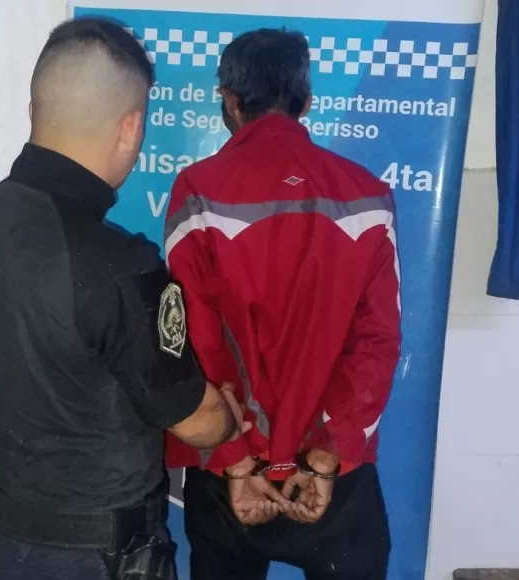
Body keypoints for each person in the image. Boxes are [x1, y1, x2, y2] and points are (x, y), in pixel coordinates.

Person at [0, 17, 248, 580]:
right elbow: (194, 420)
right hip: (93, 554)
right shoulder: (119, 264)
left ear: (35, 110)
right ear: (131, 127)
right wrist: (228, 418)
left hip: (0, 535)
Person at [163, 28, 402, 580]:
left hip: (229, 474)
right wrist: (329, 452)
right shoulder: (368, 194)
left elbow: (194, 342)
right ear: (306, 101)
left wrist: (235, 457)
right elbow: (378, 340)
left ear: (229, 100)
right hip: (333, 475)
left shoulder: (197, 191)